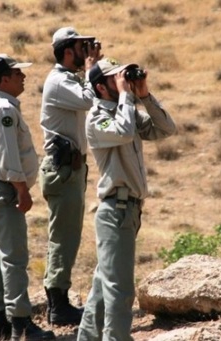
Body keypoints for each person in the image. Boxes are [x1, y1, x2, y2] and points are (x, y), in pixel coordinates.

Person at [77, 58, 177, 341]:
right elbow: (121, 132)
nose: (121, 81)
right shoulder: (97, 117)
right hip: (115, 209)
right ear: (101, 86)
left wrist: (144, 96)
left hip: (129, 210)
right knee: (120, 290)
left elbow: (166, 129)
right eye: (114, 78)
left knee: (103, 285)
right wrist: (125, 97)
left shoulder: (127, 110)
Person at [0, 53, 56, 341]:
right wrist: (22, 189)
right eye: (17, 73)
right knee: (14, 259)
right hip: (4, 189)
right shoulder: (4, 111)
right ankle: (22, 325)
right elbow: (8, 155)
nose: (23, 77)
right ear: (5, 78)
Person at [39, 26, 102, 326]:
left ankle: (59, 300)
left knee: (69, 236)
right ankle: (58, 305)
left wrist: (92, 68)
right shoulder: (58, 82)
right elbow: (90, 100)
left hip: (71, 169)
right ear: (67, 51)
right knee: (64, 238)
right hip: (62, 170)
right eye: (80, 47)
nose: (85, 51)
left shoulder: (69, 80)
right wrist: (92, 69)